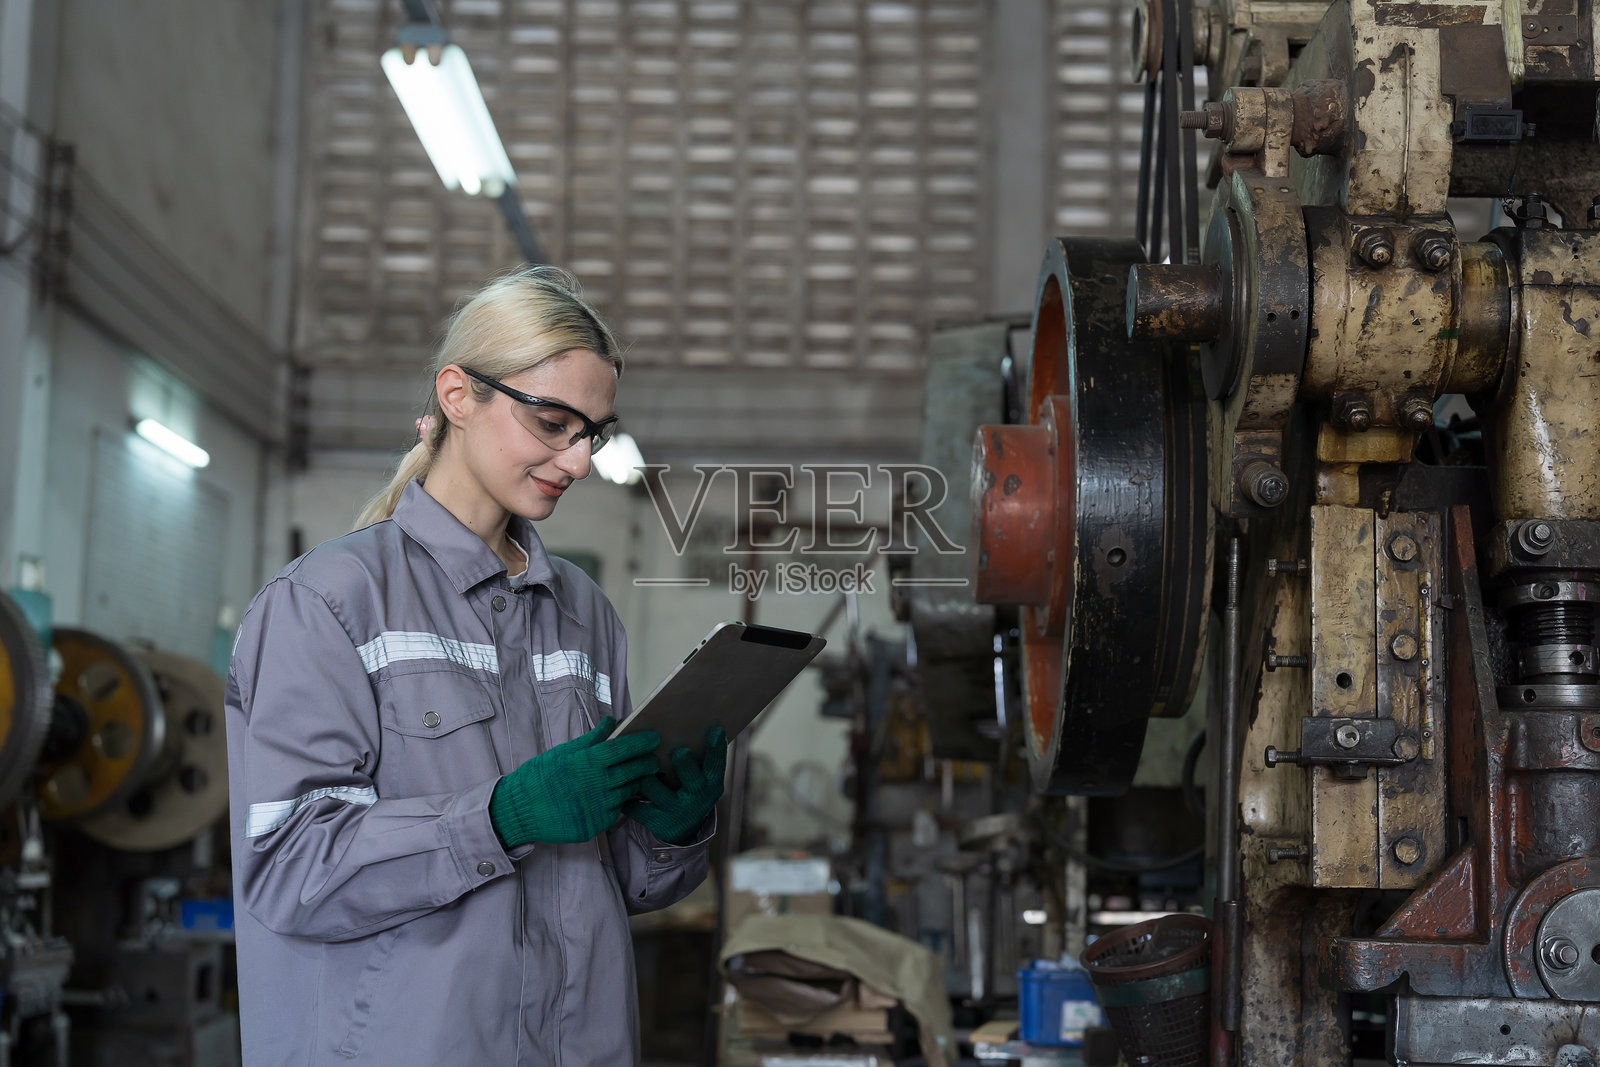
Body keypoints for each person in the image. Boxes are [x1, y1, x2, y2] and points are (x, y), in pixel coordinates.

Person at [224, 266, 727, 1066]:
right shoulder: (328, 602)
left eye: (593, 431)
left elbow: (619, 883)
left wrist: (668, 830)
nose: (580, 458)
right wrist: (498, 817)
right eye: (555, 421)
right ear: (459, 395)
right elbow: (290, 868)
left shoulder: (584, 612)